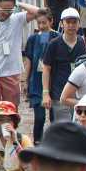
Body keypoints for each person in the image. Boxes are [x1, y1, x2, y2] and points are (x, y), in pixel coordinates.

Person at [0, 0, 40, 106]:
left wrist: (18, 3)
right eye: (4, 9)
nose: (7, 13)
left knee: (11, 109)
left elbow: (39, 11)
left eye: (10, 9)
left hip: (12, 71)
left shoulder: (17, 19)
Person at [42, 7, 86, 123]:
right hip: (59, 94)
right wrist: (46, 93)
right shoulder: (54, 44)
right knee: (63, 128)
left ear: (79, 24)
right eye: (68, 22)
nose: (71, 25)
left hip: (79, 94)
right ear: (62, 24)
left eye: (74, 22)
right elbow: (46, 68)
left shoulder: (83, 43)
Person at [22, 8, 55, 142]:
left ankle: (54, 144)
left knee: (55, 118)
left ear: (51, 21)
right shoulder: (32, 39)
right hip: (36, 82)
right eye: (39, 23)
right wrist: (25, 80)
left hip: (53, 83)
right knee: (39, 118)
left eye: (44, 22)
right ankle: (37, 144)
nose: (41, 26)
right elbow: (29, 60)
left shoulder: (57, 38)